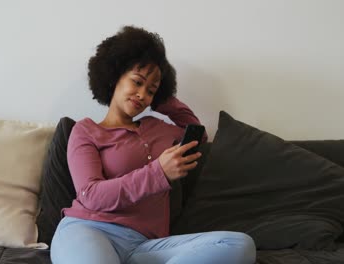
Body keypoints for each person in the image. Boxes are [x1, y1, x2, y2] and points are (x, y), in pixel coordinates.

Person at [50, 25, 256, 264]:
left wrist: (161, 98)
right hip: (90, 230)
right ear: (114, 75)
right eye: (137, 82)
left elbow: (197, 136)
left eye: (150, 91)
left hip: (146, 245)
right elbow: (91, 195)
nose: (142, 95)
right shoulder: (86, 130)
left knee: (238, 245)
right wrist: (159, 173)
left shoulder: (157, 128)